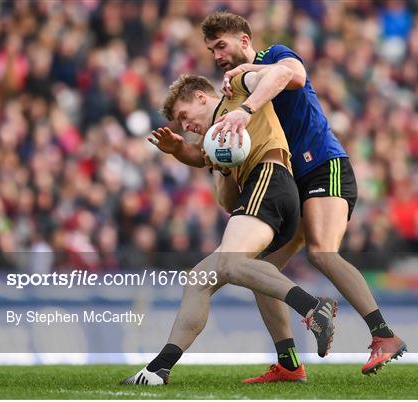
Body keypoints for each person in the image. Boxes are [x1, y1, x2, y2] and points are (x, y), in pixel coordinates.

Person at [148, 12, 406, 380]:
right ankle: (289, 363)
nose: (218, 55)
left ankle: (383, 335)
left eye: (222, 45)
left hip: (322, 165)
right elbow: (207, 155)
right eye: (212, 49)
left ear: (243, 39)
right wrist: (180, 150)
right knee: (261, 271)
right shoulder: (233, 91)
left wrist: (246, 109)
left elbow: (293, 75)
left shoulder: (271, 58)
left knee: (321, 252)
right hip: (290, 183)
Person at [121, 70, 338, 386]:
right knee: (200, 279)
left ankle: (313, 309)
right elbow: (226, 202)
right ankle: (160, 368)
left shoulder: (235, 94)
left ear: (200, 97)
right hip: (265, 196)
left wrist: (246, 101)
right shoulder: (215, 141)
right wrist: (185, 152)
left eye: (184, 115)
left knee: (231, 262)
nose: (185, 126)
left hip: (271, 180)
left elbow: (283, 73)